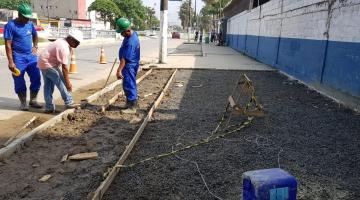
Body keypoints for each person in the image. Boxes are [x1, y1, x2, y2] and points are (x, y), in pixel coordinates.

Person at [4, 3, 42, 111]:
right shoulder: (11, 25)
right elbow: (7, 45)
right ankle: (23, 102)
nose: (27, 19)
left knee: (36, 78)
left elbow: (35, 35)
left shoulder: (30, 24)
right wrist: (11, 61)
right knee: (19, 80)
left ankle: (33, 100)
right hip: (18, 57)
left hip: (31, 57)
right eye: (25, 17)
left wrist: (35, 46)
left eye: (28, 17)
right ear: (19, 15)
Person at [37, 30, 82, 113]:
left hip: (42, 62)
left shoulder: (63, 42)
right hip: (48, 64)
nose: (77, 45)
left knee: (48, 86)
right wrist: (68, 83)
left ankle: (49, 108)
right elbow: (64, 68)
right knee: (61, 81)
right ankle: (69, 102)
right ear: (71, 39)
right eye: (77, 42)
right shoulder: (63, 48)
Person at [115, 18, 140, 114]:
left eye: (122, 32)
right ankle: (129, 103)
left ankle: (132, 107)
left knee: (129, 84)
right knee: (127, 84)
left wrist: (119, 70)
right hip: (131, 64)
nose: (121, 35)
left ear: (128, 30)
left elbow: (124, 59)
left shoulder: (130, 42)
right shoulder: (132, 34)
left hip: (129, 65)